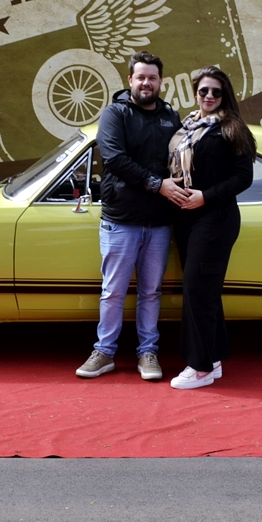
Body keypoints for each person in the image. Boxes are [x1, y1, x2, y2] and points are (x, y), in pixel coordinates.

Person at [75, 51, 189, 381]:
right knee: (113, 291)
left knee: (151, 293)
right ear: (130, 80)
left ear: (160, 81)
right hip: (120, 221)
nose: (146, 83)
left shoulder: (170, 116)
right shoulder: (114, 114)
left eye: (152, 78)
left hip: (159, 224)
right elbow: (114, 158)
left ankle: (147, 353)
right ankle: (104, 352)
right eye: (141, 77)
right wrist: (158, 185)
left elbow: (182, 158)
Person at [166, 65, 255, 390]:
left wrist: (205, 196)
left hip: (215, 219)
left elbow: (243, 177)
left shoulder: (232, 127)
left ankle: (200, 367)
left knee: (197, 291)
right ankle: (213, 359)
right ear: (195, 93)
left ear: (224, 95)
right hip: (186, 219)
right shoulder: (187, 126)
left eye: (216, 91)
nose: (209, 96)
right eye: (204, 90)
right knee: (205, 292)